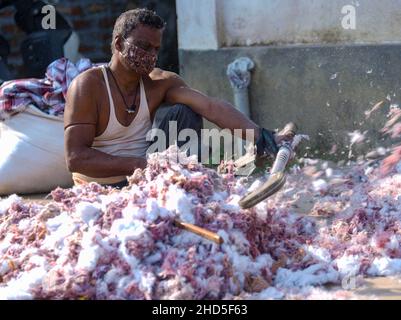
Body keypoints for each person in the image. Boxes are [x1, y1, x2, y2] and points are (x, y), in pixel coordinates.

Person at [64, 8, 290, 188]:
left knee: (187, 111)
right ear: (119, 44)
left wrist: (264, 137)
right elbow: (76, 158)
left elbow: (211, 107)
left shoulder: (160, 82)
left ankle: (179, 184)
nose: (151, 56)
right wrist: (141, 165)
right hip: (97, 190)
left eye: (156, 49)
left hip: (144, 181)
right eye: (143, 46)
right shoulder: (88, 86)